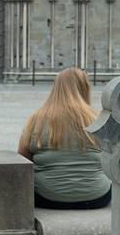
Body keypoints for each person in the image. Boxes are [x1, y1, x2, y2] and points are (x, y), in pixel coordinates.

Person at [17, 67, 111, 209]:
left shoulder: (36, 119)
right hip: (96, 197)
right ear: (85, 87)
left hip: (47, 197)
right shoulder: (98, 118)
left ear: (56, 88)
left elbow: (22, 161)